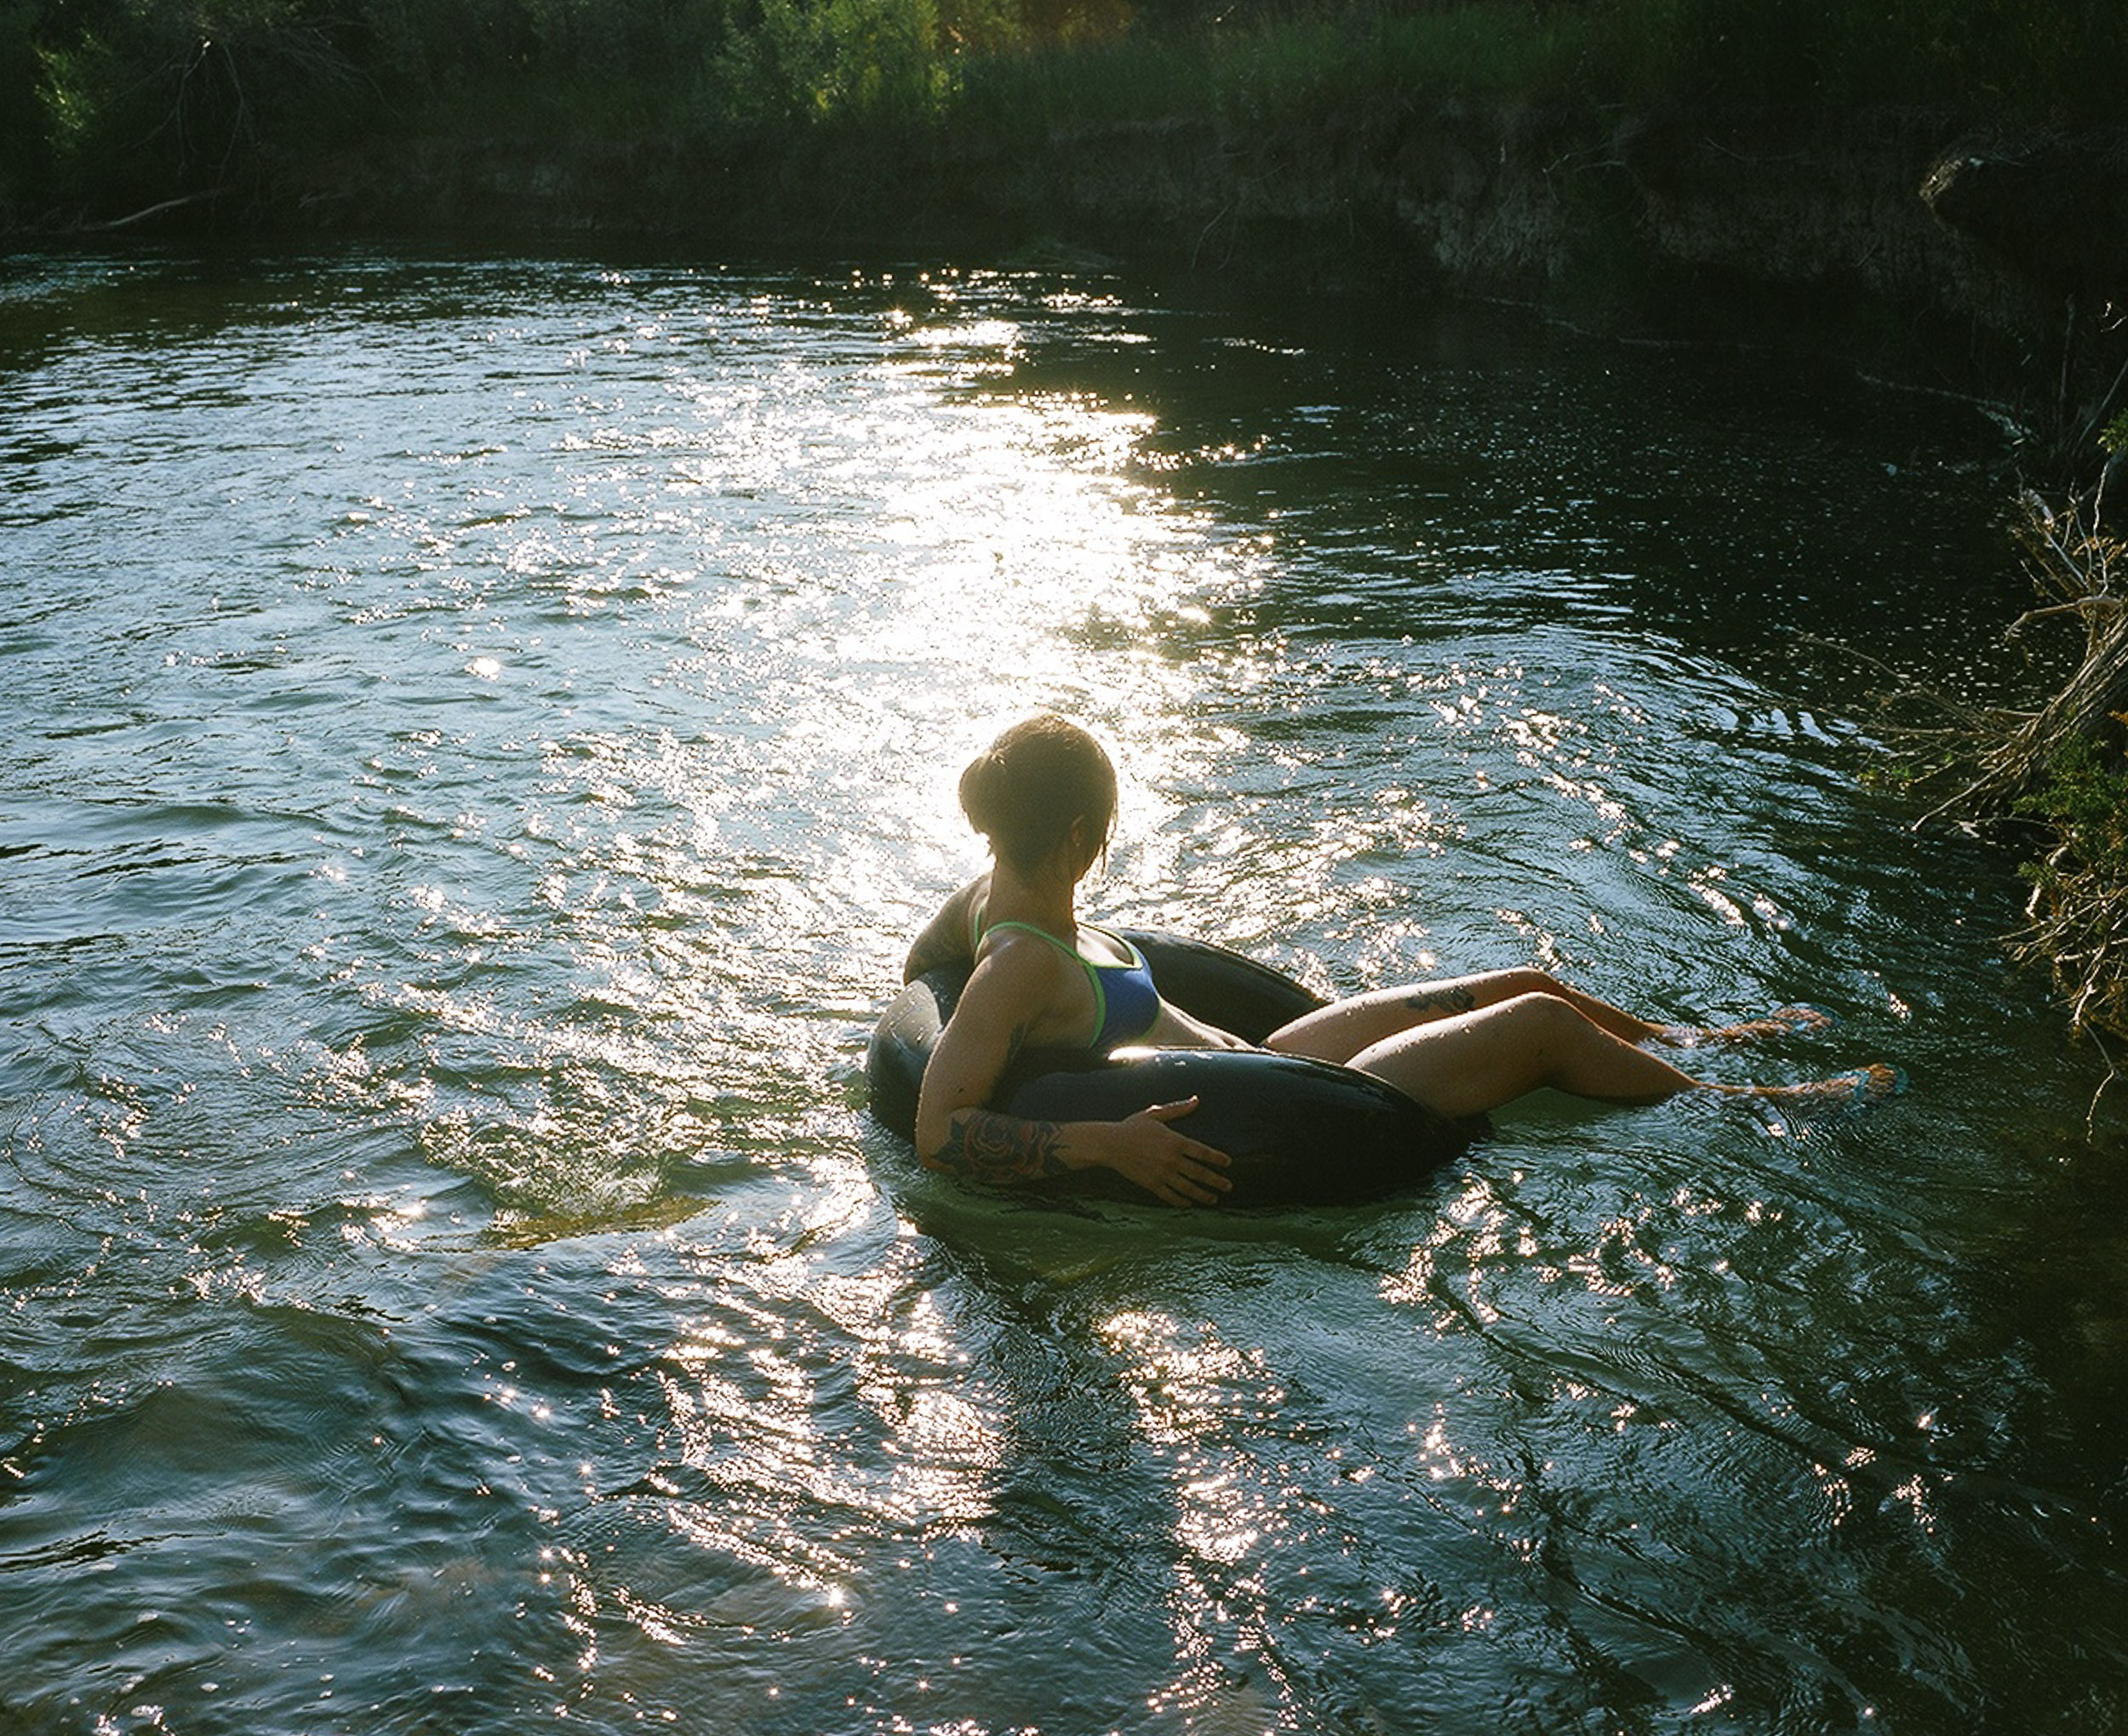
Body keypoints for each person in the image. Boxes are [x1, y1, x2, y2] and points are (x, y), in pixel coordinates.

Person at [907, 713, 1898, 1207]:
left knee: (1525, 983)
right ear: (1082, 829)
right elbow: (938, 1131)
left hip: (1259, 1048)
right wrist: (1104, 1144)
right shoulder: (1017, 967)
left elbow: (921, 964)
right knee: (1541, 1033)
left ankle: (1708, 1040)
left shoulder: (987, 898)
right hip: (1277, 1091)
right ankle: (1749, 1100)